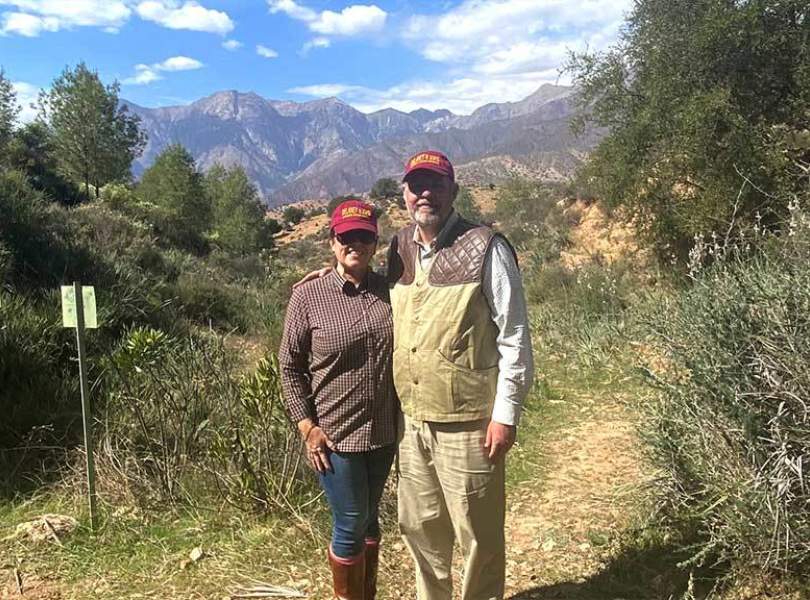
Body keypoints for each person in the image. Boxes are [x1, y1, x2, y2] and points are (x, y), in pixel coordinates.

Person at [388, 150, 534, 600]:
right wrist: (326, 279)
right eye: (416, 186)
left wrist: (505, 414)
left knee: (479, 540)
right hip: (412, 424)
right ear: (405, 194)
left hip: (471, 425)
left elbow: (514, 335)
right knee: (421, 532)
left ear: (454, 190)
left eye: (435, 184)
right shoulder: (398, 247)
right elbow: (370, 297)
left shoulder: (486, 246)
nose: (425, 194)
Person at [279, 198, 399, 600]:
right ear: (332, 241)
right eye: (347, 237)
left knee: (369, 521)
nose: (356, 244)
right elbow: (290, 366)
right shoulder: (308, 297)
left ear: (375, 243)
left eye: (364, 237)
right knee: (349, 520)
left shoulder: (390, 291)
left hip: (383, 433)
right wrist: (306, 426)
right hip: (335, 437)